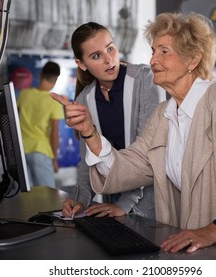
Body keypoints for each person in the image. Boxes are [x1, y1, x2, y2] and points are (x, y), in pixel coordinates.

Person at [51, 12, 216, 260]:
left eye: (163, 51)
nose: (153, 59)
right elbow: (129, 167)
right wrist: (89, 132)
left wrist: (215, 229)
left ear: (192, 59)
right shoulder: (164, 114)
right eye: (153, 50)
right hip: (205, 248)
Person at [60, 22, 165, 219]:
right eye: (96, 56)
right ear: (81, 64)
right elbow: (87, 164)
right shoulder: (85, 99)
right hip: (113, 208)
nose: (109, 60)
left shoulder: (145, 80)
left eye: (110, 48)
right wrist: (80, 201)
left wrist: (124, 205)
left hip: (152, 207)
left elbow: (148, 154)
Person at [17, 61, 63, 189]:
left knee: (27, 196)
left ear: (41, 75)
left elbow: (13, 118)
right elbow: (54, 134)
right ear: (55, 81)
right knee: (48, 197)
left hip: (21, 150)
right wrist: (54, 159)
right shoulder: (54, 101)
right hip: (41, 151)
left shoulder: (24, 94)